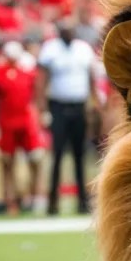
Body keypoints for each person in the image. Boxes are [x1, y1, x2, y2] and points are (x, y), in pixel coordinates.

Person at [37, 20, 95, 216]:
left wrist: (93, 103)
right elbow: (42, 80)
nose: (68, 34)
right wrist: (43, 109)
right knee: (58, 154)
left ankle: (82, 202)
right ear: (59, 32)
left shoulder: (83, 49)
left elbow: (91, 77)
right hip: (58, 106)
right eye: (64, 31)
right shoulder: (50, 49)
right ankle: (53, 202)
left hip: (79, 105)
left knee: (80, 155)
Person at [0, 41, 46, 214]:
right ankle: (10, 200)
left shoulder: (27, 72)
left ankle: (35, 196)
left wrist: (40, 115)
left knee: (35, 159)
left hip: (26, 122)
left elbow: (36, 94)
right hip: (7, 122)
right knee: (7, 162)